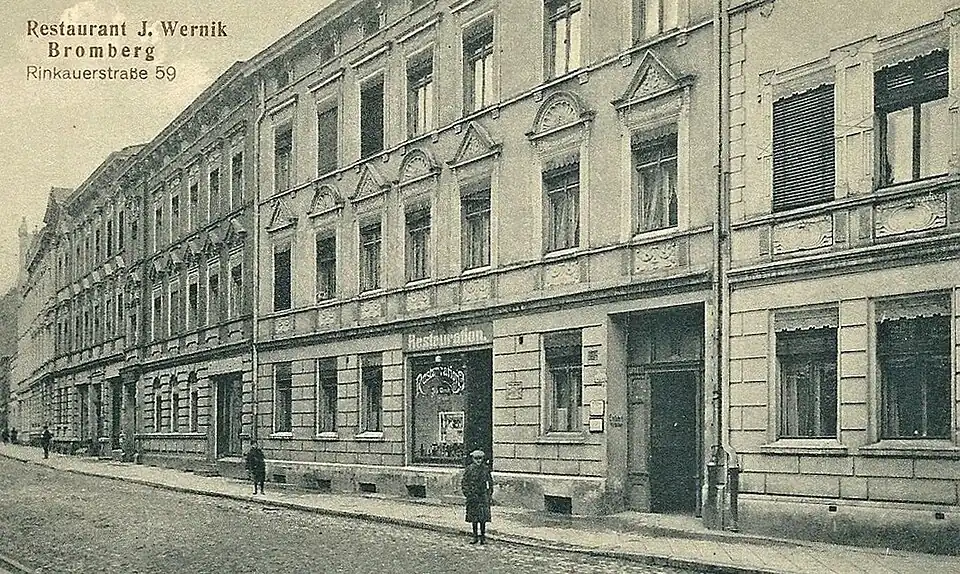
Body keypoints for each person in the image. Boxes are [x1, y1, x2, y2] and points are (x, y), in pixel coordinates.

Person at [460, 449, 493, 545]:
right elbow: (464, 483)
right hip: (473, 496)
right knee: (474, 518)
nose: (478, 461)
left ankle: (482, 537)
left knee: (483, 519)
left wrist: (489, 494)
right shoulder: (469, 469)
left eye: (480, 458)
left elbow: (490, 482)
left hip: (483, 497)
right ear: (473, 459)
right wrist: (468, 494)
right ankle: (475, 537)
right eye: (476, 458)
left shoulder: (485, 469)